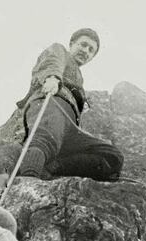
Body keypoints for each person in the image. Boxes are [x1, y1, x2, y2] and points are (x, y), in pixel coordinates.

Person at [15, 27, 124, 182]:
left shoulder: (79, 78)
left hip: (70, 126)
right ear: (72, 44)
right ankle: (28, 182)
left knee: (112, 156)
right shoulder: (60, 50)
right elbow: (52, 61)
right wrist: (52, 78)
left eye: (91, 50)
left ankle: (52, 168)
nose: (86, 51)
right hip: (53, 102)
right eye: (83, 44)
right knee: (46, 140)